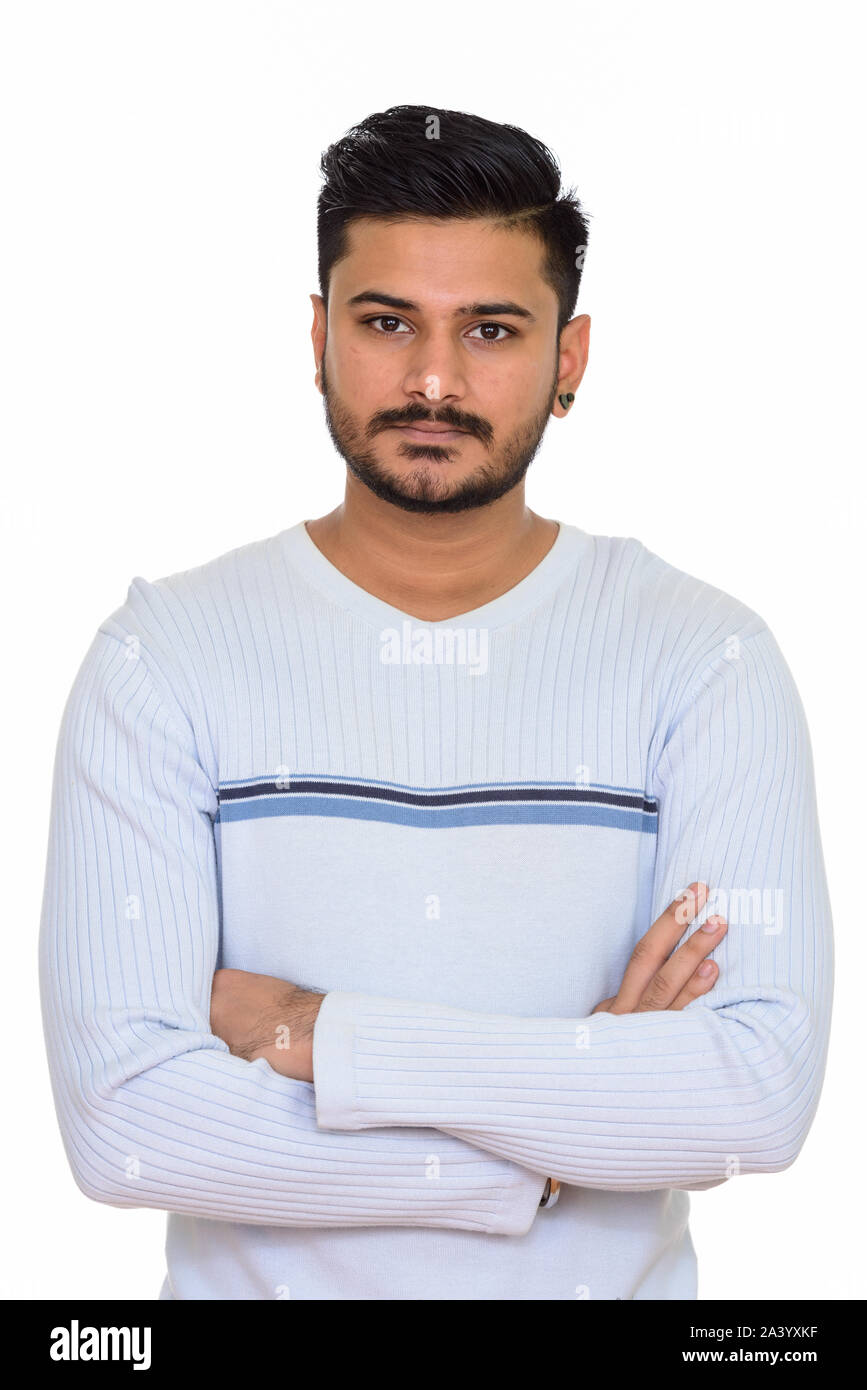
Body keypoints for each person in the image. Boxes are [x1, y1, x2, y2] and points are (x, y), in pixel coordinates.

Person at [38, 105, 833, 1301]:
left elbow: (751, 1096)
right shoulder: (167, 656)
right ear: (318, 338)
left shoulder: (703, 657)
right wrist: (561, 1138)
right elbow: (125, 1124)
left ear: (568, 360)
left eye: (493, 329)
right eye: (386, 320)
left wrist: (322, 1030)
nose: (433, 378)